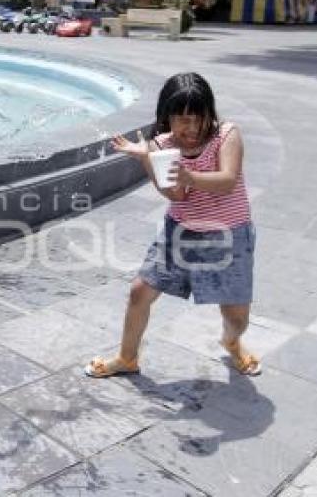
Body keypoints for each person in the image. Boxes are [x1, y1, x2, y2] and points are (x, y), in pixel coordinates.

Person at [85, 72, 261, 378]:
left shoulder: (227, 135)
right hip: (180, 231)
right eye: (182, 119)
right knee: (140, 291)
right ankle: (127, 358)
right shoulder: (161, 145)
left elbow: (228, 181)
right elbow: (176, 194)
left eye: (199, 118)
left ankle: (232, 343)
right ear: (167, 116)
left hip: (228, 235)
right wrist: (146, 160)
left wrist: (191, 176)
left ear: (210, 113)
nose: (191, 128)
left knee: (236, 316)